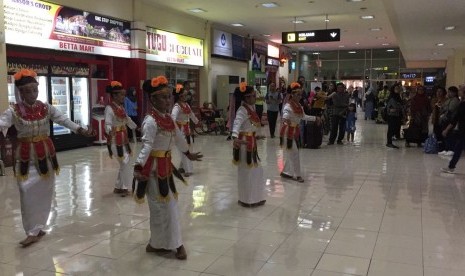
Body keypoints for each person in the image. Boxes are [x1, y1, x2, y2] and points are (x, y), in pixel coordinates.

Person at [0, 69, 94, 247]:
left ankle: (39, 227)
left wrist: (80, 129)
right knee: (26, 193)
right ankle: (31, 231)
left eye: (35, 90)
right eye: (27, 91)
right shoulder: (13, 111)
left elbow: (64, 119)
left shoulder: (46, 108)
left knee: (45, 192)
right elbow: (1, 123)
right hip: (26, 158)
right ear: (20, 92)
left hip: (45, 155)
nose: (32, 94)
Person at [134, 75, 202, 260]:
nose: (167, 100)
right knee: (160, 208)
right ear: (152, 99)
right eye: (162, 97)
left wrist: (188, 153)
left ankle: (159, 243)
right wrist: (138, 166)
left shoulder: (168, 119)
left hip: (166, 168)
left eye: (168, 97)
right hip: (153, 169)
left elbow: (179, 138)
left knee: (167, 207)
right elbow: (146, 145)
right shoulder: (150, 121)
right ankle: (173, 244)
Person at [232, 82, 266, 207]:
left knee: (256, 171)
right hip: (244, 144)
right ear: (245, 98)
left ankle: (255, 197)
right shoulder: (242, 110)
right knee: (246, 172)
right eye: (251, 95)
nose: (254, 97)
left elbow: (248, 127)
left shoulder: (251, 108)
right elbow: (237, 124)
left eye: (254, 95)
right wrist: (234, 137)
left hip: (251, 141)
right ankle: (246, 199)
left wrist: (256, 136)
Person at [279, 82, 318, 183]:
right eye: (297, 94)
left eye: (300, 94)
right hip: (287, 132)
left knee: (291, 152)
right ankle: (297, 175)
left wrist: (315, 118)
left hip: (294, 131)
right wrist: (285, 118)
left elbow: (303, 116)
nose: (300, 96)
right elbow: (285, 114)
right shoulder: (288, 105)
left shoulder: (299, 105)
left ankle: (286, 171)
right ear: (292, 94)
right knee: (295, 153)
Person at [105, 81, 137, 195]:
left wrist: (136, 127)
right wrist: (108, 130)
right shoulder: (109, 108)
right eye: (121, 95)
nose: (124, 97)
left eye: (124, 94)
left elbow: (127, 119)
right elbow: (107, 123)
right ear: (114, 96)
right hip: (114, 139)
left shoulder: (121, 108)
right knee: (125, 161)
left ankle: (119, 186)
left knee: (125, 162)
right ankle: (124, 187)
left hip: (124, 139)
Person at [171, 83, 199, 177]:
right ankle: (188, 170)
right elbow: (172, 118)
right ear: (180, 96)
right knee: (183, 149)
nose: (187, 96)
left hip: (187, 129)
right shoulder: (177, 107)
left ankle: (182, 167)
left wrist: (197, 122)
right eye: (185, 95)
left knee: (188, 148)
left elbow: (191, 115)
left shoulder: (186, 105)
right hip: (180, 130)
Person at [441, 85, 465, 173]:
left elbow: (455, 119)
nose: (459, 92)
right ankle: (451, 166)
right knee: (458, 148)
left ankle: (451, 167)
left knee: (458, 148)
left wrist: (446, 129)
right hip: (462, 130)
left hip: (463, 130)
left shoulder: (462, 105)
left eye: (460, 90)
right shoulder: (461, 103)